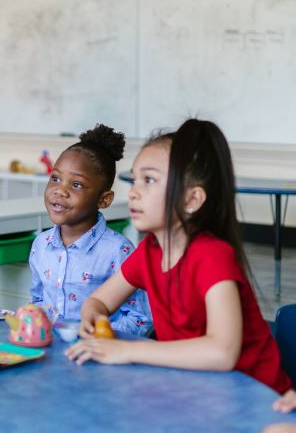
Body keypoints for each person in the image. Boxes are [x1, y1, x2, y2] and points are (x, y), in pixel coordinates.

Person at [65, 119, 293, 399]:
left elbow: (222, 353)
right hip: (199, 391)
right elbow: (98, 301)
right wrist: (93, 318)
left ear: (192, 200)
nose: (134, 191)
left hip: (256, 398)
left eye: (148, 180)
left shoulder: (212, 256)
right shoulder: (149, 251)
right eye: (135, 180)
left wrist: (129, 350)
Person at [29, 124, 152, 335]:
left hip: (98, 355)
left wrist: (96, 336)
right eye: (55, 178)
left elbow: (141, 319)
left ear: (104, 199)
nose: (60, 191)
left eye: (76, 184)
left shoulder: (118, 251)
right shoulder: (41, 245)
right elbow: (38, 300)